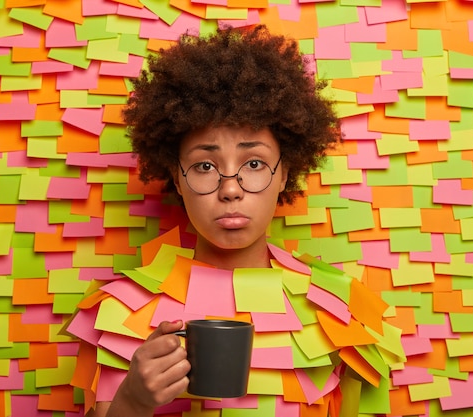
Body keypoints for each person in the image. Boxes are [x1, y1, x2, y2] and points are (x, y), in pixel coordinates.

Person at [67, 24, 403, 417]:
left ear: (283, 174)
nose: (230, 190)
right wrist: (132, 402)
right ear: (177, 176)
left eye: (255, 163)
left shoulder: (340, 308)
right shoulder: (120, 310)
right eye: (205, 165)